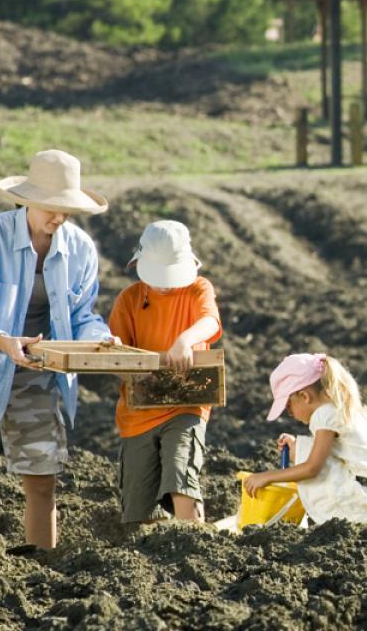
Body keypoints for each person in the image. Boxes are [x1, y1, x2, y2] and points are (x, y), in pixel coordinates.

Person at [0, 149, 114, 550]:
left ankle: (42, 566)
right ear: (28, 201)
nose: (59, 217)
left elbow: (82, 313)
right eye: (51, 208)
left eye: (66, 210)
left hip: (33, 367)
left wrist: (99, 340)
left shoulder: (80, 249)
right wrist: (2, 340)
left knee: (42, 476)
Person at [107, 220, 222, 524]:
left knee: (182, 480)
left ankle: (195, 551)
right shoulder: (130, 299)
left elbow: (210, 322)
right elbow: (117, 356)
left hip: (187, 403)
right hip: (138, 412)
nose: (164, 283)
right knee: (136, 512)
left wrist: (185, 340)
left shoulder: (198, 288)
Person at [245, 354, 367, 524]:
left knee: (308, 458)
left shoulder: (324, 414)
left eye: (288, 407)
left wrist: (267, 477)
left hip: (359, 508)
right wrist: (297, 447)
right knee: (306, 448)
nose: (290, 414)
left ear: (304, 396)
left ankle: (327, 520)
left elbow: (312, 469)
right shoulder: (342, 409)